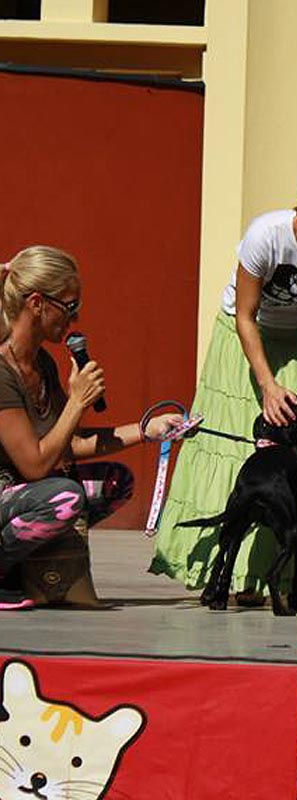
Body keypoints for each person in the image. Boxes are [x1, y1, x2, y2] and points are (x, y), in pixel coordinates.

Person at [150, 179, 297, 601]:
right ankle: (240, 578)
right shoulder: (267, 234)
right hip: (247, 338)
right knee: (244, 457)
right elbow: (245, 315)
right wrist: (267, 384)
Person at [0, 246, 180, 609]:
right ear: (37, 303)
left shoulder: (42, 363)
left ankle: (27, 561)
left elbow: (68, 444)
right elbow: (34, 464)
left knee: (115, 482)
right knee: (65, 498)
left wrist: (147, 429)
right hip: (11, 488)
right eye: (70, 306)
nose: (76, 318)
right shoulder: (3, 371)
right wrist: (77, 402)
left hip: (24, 492)